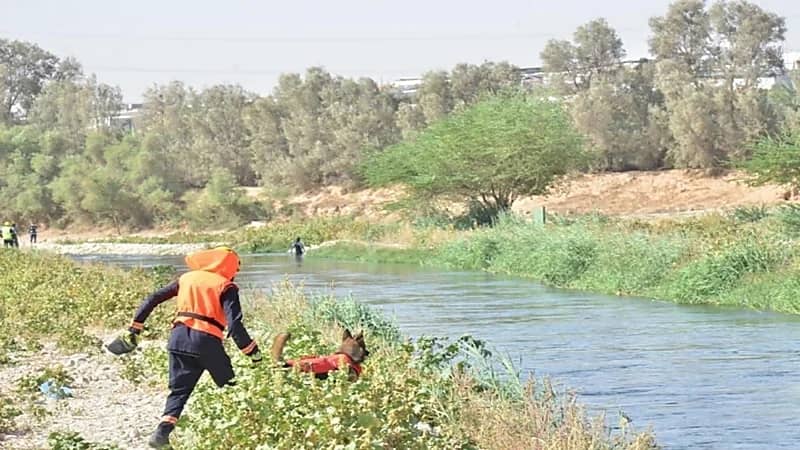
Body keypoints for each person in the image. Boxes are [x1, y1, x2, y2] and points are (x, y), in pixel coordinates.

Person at [109, 247, 262, 449]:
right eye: (236, 268)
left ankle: (161, 433)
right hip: (207, 341)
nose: (236, 273)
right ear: (229, 266)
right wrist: (252, 352)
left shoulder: (187, 278)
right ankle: (248, 434)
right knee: (231, 386)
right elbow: (234, 325)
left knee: (179, 391)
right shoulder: (226, 286)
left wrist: (134, 328)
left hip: (178, 338)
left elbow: (153, 298)